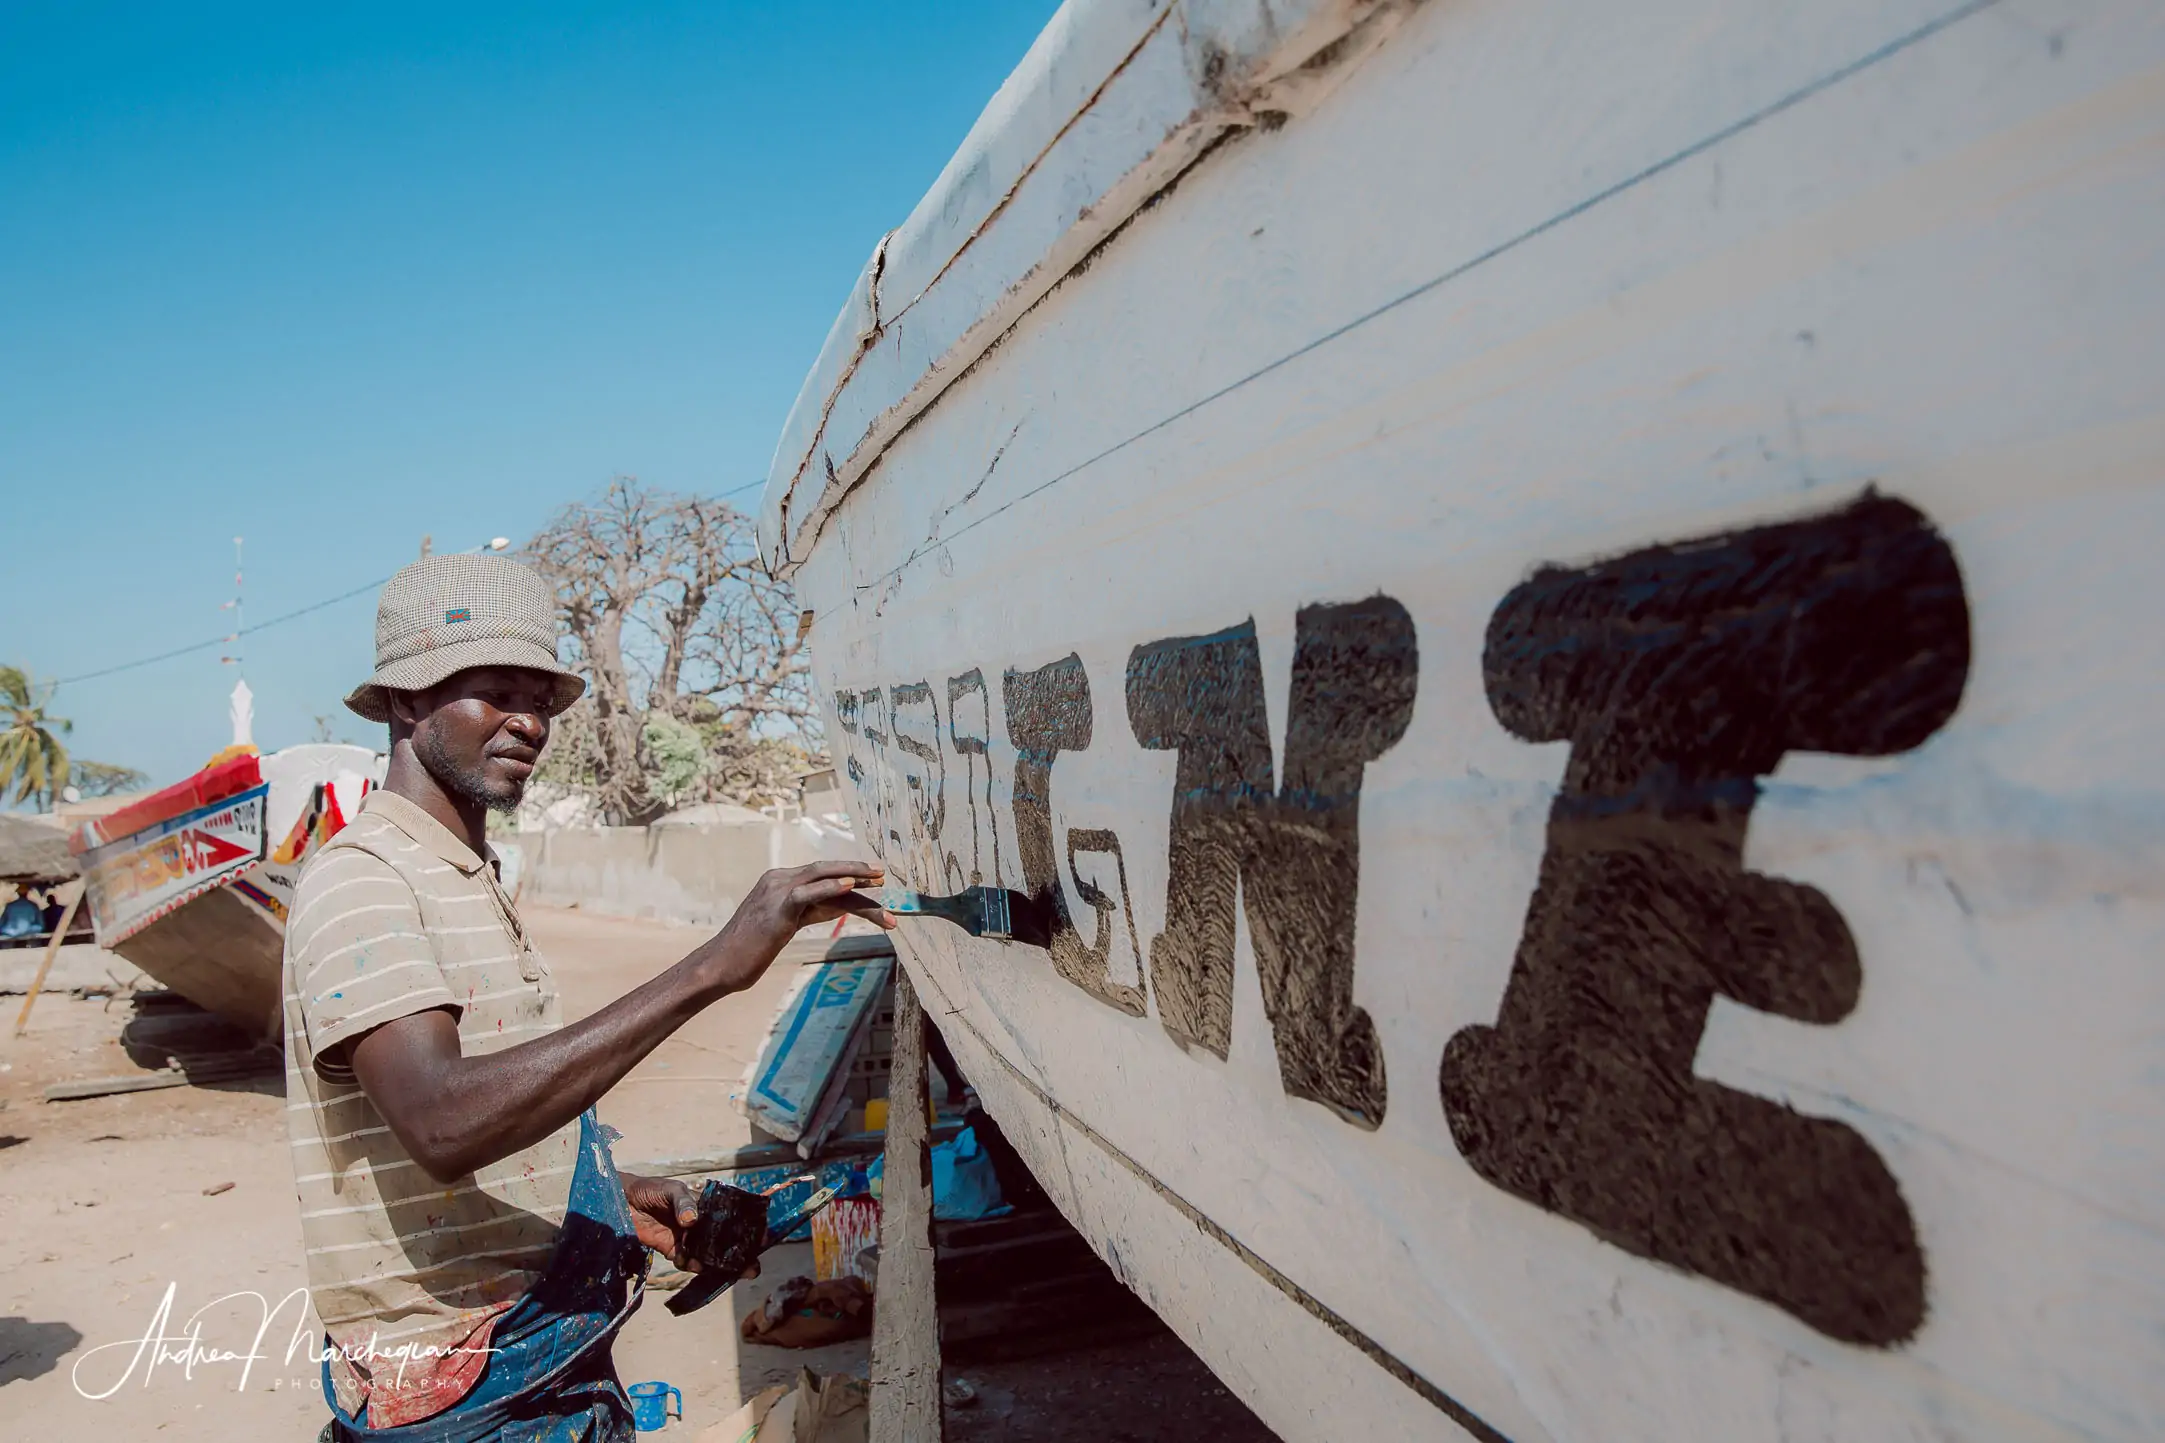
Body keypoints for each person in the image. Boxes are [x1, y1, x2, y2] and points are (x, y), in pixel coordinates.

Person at [285, 553, 891, 1441]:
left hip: (534, 1359)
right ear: (408, 701)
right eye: (494, 692)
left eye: (540, 698)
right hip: (463, 1392)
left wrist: (610, 1195)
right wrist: (709, 967)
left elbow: (478, 1112)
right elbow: (442, 1123)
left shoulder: (462, 874)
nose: (528, 721)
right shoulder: (365, 880)